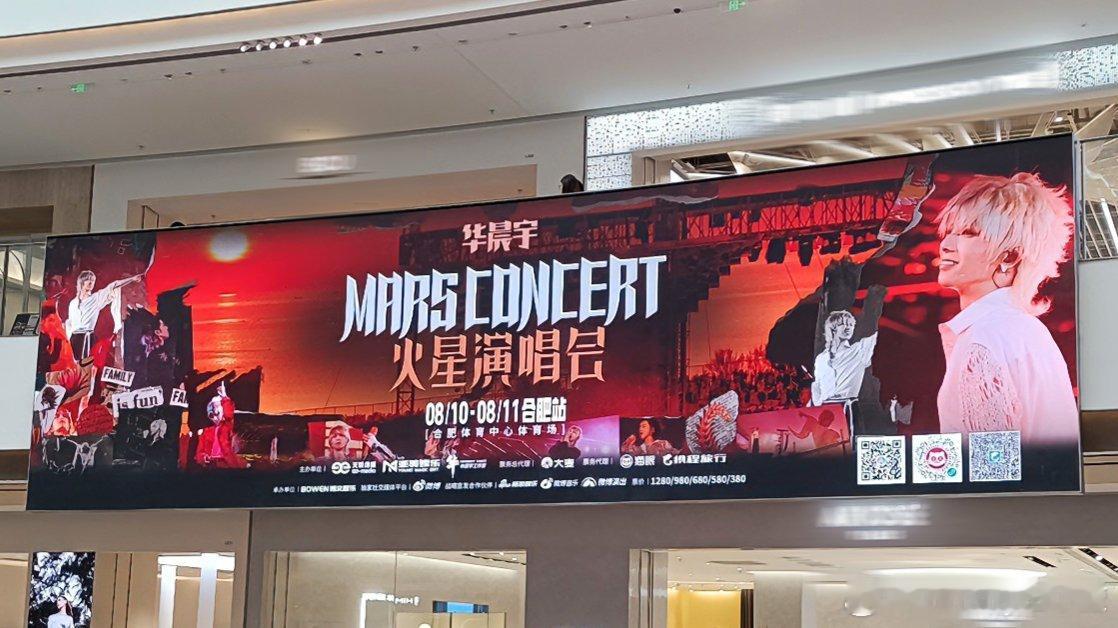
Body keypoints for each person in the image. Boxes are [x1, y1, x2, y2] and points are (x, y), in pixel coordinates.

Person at [935, 172, 1077, 445]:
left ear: (1010, 256)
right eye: (948, 232)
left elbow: (988, 461)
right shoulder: (1026, 329)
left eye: (967, 233)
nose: (946, 245)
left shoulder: (983, 336)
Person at [64, 270, 141, 361]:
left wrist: (132, 279)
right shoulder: (73, 303)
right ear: (82, 282)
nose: (91, 283)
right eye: (88, 280)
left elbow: (113, 286)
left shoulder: (96, 298)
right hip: (74, 338)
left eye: (93, 280)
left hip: (87, 337)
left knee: (86, 364)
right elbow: (69, 322)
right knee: (72, 364)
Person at [811, 308, 879, 406]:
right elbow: (817, 385)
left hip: (847, 406)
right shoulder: (821, 358)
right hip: (825, 409)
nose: (848, 328)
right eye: (843, 324)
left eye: (851, 325)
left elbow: (876, 335)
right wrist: (818, 403)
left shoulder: (859, 350)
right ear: (833, 328)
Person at [195, 382, 246, 468]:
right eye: (214, 407)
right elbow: (199, 453)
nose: (216, 410)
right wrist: (203, 457)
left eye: (218, 406)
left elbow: (228, 413)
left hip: (226, 463)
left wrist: (224, 397)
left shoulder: (227, 425)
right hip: (211, 465)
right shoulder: (206, 431)